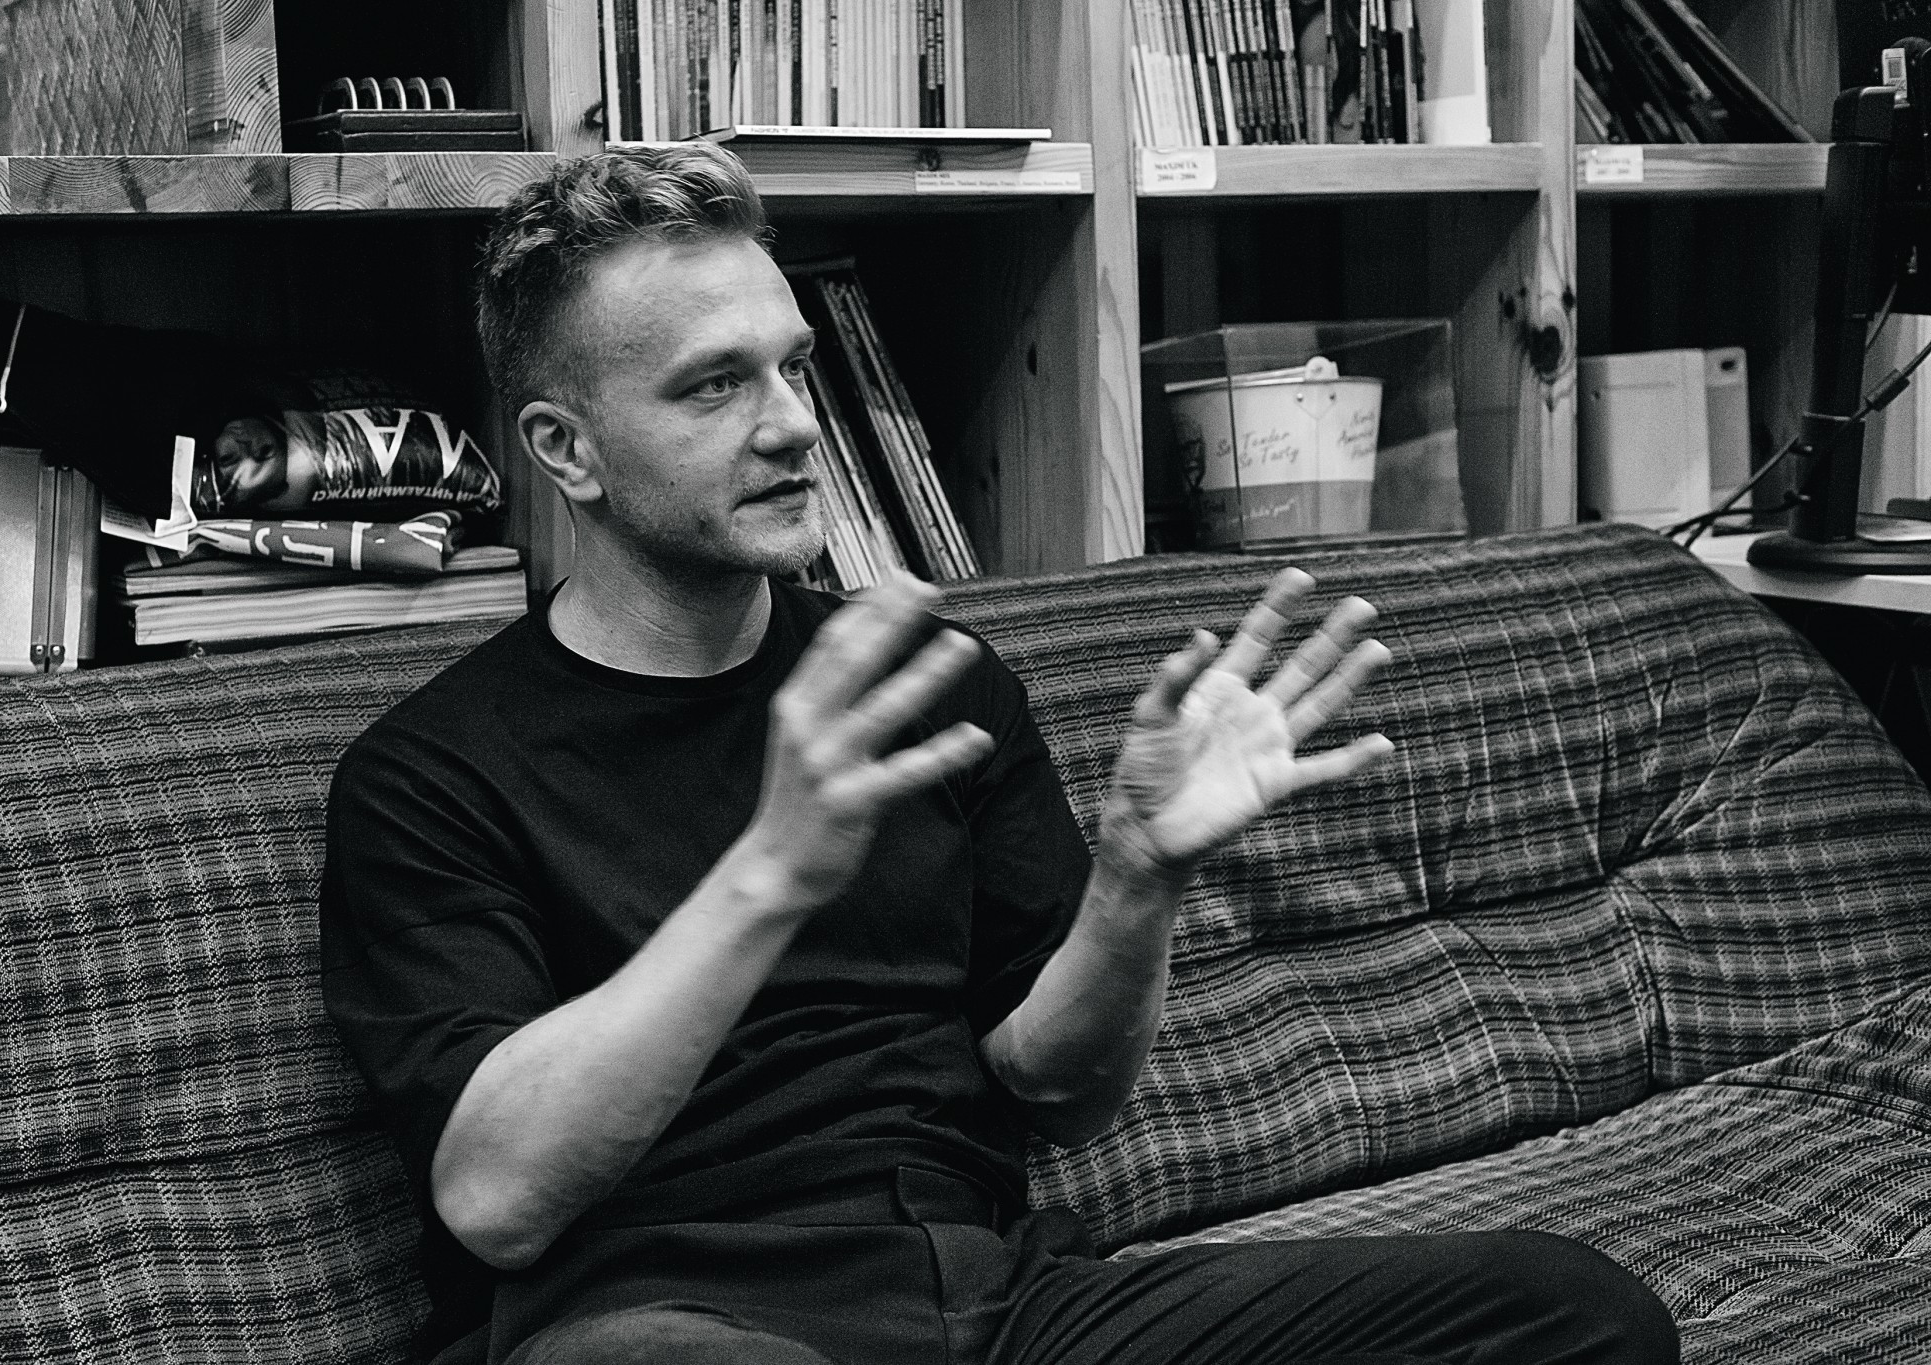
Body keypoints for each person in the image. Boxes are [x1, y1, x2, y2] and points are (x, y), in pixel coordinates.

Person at [319, 143, 1680, 1365]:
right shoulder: (432, 777)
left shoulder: (934, 679)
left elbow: (1056, 1090)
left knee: (1569, 1311)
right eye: (714, 385)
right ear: (567, 450)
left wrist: (1138, 878)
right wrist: (770, 869)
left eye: (791, 365)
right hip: (671, 1317)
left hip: (994, 1297)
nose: (793, 422)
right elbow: (497, 1200)